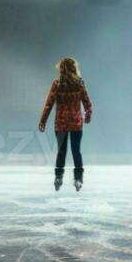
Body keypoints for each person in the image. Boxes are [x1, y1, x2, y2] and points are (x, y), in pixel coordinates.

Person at [38, 57, 93, 191]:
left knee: (61, 151)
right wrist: (87, 116)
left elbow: (48, 104)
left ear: (61, 69)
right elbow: (87, 103)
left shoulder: (57, 84)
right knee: (76, 151)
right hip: (76, 123)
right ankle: (78, 178)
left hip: (61, 123)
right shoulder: (79, 83)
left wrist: (43, 120)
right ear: (74, 68)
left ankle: (58, 177)